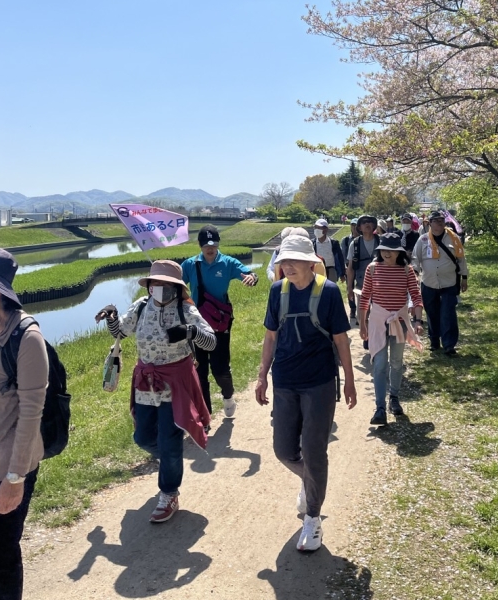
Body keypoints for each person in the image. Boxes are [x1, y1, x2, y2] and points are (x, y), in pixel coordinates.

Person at [255, 234, 357, 552]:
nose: (287, 266)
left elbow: (341, 340)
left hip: (319, 383)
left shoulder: (327, 292)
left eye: (293, 260)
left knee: (314, 452)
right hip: (285, 380)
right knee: (283, 450)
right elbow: (271, 337)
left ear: (310, 262)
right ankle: (311, 480)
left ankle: (312, 519)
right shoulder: (277, 292)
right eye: (283, 261)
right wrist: (262, 377)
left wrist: (350, 380)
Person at [95, 260, 215, 523]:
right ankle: (171, 460)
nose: (158, 288)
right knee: (142, 436)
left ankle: (169, 492)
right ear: (149, 286)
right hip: (146, 381)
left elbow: (212, 341)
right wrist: (111, 316)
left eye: (164, 284)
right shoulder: (141, 305)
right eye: (154, 283)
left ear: (175, 287)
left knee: (169, 439)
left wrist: (191, 331)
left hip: (175, 382)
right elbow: (121, 332)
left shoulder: (186, 310)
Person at [0, 244, 48, 600]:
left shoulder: (26, 337)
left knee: (1, 552)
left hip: (7, 465)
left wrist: (14, 477)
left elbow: (31, 414)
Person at [181, 225, 258, 418]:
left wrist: (252, 277)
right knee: (200, 370)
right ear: (199, 245)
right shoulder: (190, 265)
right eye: (206, 245)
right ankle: (204, 414)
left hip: (220, 323)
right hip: (197, 324)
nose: (210, 248)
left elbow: (248, 273)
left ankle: (228, 396)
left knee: (220, 367)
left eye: (213, 244)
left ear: (218, 244)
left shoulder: (228, 262)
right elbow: (177, 286)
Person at [358, 234, 424, 426]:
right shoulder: (372, 269)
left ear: (399, 252)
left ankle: (393, 398)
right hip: (377, 322)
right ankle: (379, 408)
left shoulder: (406, 271)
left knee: (396, 362)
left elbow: (416, 296)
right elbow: (364, 298)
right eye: (384, 250)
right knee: (379, 365)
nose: (387, 253)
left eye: (392, 250)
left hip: (399, 322)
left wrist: (418, 320)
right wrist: (363, 324)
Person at [412, 209, 468, 356]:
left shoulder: (453, 238)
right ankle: (434, 341)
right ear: (429, 223)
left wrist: (464, 278)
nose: (439, 223)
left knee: (448, 314)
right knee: (432, 313)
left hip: (449, 283)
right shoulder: (423, 240)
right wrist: (415, 274)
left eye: (441, 220)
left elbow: (461, 258)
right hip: (429, 283)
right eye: (436, 220)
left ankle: (449, 345)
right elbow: (415, 259)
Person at [346, 216, 380, 347]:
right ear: (359, 227)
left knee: (378, 312)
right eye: (364, 223)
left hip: (380, 284)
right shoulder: (354, 244)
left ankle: (376, 337)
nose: (367, 224)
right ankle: (367, 336)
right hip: (361, 284)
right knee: (363, 313)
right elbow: (350, 269)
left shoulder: (381, 241)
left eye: (370, 222)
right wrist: (349, 288)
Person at [312, 219, 345, 284]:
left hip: (331, 270)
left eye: (319, 228)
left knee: (330, 288)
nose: (317, 229)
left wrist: (342, 274)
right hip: (317, 270)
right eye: (316, 227)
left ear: (326, 229)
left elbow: (340, 258)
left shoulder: (334, 243)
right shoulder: (312, 243)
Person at [340, 219, 359, 322]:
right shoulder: (346, 240)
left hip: (361, 268)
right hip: (349, 267)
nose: (354, 227)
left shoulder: (362, 239)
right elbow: (343, 254)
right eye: (352, 225)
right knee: (350, 288)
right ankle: (353, 308)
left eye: (356, 225)